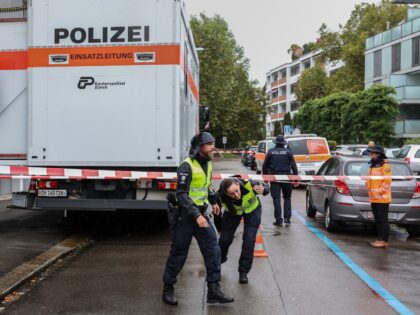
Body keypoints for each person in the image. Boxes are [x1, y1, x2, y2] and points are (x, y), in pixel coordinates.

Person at [162, 132, 234, 305]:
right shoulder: (186, 166)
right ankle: (168, 289)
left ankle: (213, 290)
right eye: (209, 144)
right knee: (179, 253)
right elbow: (181, 194)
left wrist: (214, 200)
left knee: (213, 250)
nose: (212, 147)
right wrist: (196, 215)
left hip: (200, 214)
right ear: (199, 147)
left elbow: (206, 185)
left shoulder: (207, 164)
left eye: (213, 143)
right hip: (185, 216)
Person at [217, 177, 269, 284]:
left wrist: (264, 190)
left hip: (252, 210)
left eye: (237, 191)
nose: (236, 195)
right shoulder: (220, 196)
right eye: (232, 194)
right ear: (225, 193)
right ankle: (220, 260)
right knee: (224, 240)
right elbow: (216, 214)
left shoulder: (250, 185)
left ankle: (243, 271)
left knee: (249, 241)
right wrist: (219, 229)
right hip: (233, 213)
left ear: (238, 184)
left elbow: (266, 187)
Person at [262, 135, 298, 226]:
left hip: (274, 178)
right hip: (287, 178)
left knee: (276, 199)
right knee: (287, 198)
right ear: (283, 143)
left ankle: (278, 220)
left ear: (276, 143)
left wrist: (265, 177)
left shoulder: (270, 152)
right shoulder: (288, 152)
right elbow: (294, 166)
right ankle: (287, 218)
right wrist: (295, 178)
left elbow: (265, 166)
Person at [365, 145, 392, 248]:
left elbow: (387, 180)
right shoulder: (373, 164)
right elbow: (372, 179)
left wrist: (380, 191)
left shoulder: (385, 165)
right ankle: (379, 239)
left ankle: (384, 240)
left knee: (382, 219)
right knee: (377, 219)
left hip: (382, 198)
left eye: (372, 153)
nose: (370, 154)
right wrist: (367, 184)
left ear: (377, 154)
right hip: (373, 197)